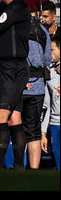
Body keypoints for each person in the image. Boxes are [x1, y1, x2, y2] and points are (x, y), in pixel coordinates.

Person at [0, 0, 31, 170]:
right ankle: (18, 167)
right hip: (6, 67)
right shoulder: (12, 7)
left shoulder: (17, 7)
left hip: (12, 68)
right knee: (14, 117)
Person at [21, 11, 51, 169]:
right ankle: (33, 172)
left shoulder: (12, 27)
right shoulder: (42, 30)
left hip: (16, 87)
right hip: (37, 87)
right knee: (33, 132)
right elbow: (47, 59)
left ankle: (17, 169)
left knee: (16, 129)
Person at [41, 39, 60, 169]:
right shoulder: (49, 73)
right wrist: (43, 133)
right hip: (55, 124)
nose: (49, 53)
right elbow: (47, 105)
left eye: (52, 49)